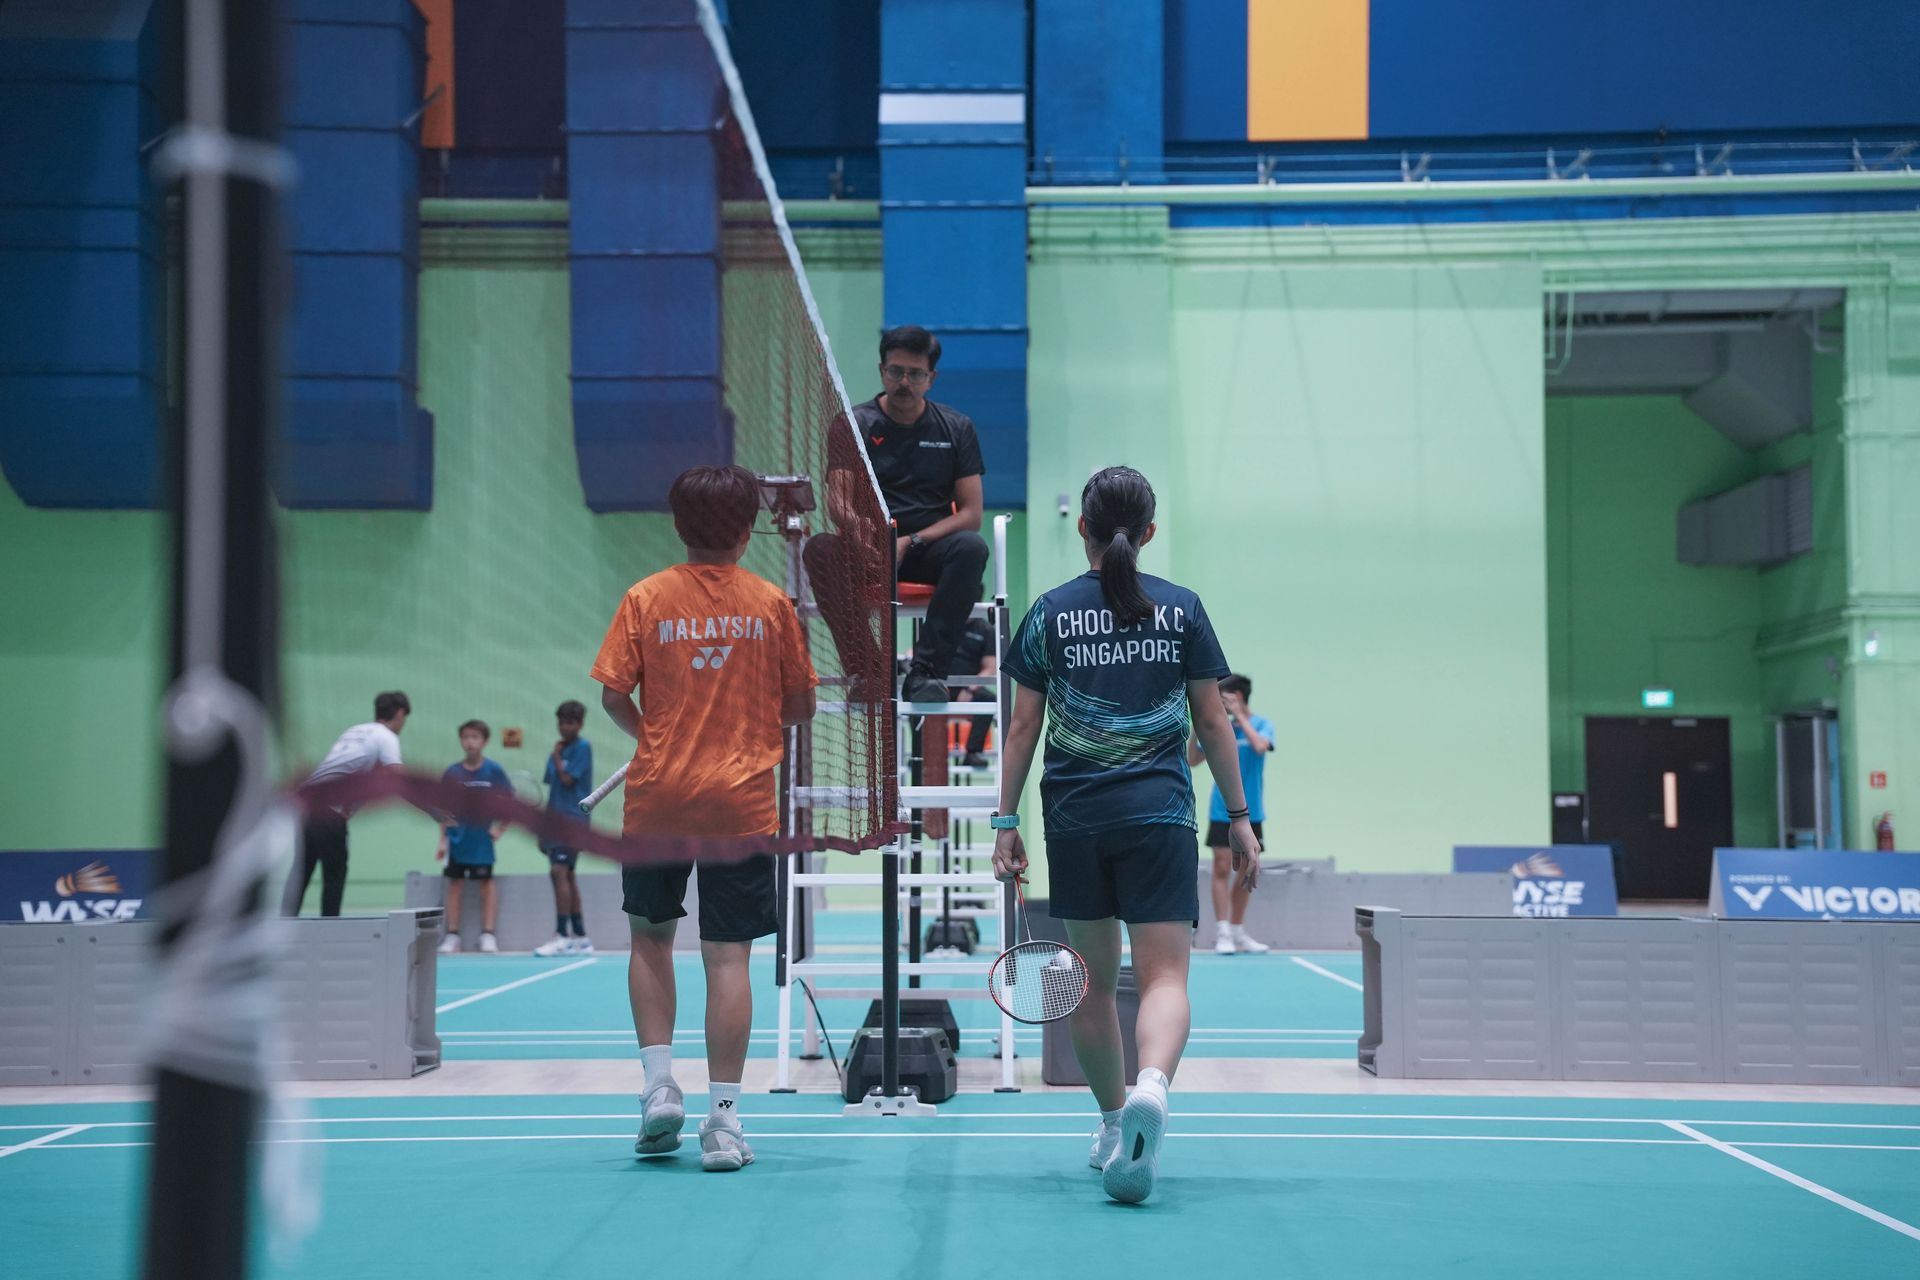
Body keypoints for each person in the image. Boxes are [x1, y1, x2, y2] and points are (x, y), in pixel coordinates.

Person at [992, 465, 1260, 1206]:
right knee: (1165, 979)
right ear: (1149, 533)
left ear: (1082, 527)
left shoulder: (1049, 612)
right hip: (1160, 817)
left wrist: (1006, 822)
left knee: (1092, 982)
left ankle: (1114, 1124)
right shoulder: (1182, 609)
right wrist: (1240, 819)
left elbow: (1022, 727)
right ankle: (1152, 1088)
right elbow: (1213, 723)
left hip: (1076, 820)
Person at [591, 464, 817, 1173]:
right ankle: (723, 1123)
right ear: (748, 530)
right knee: (727, 956)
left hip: (657, 799)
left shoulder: (646, 597)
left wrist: (655, 738)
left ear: (678, 525)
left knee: (650, 940)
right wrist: (746, 723)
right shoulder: (771, 603)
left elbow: (612, 696)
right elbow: (802, 706)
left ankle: (659, 1086)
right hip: (740, 804)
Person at [804, 325, 987, 706]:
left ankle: (926, 673)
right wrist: (856, 526)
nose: (904, 382)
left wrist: (912, 541)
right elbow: (837, 498)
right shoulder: (853, 425)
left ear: (931, 378)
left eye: (915, 374)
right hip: (869, 550)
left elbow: (971, 514)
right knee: (820, 549)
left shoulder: (957, 428)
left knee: (971, 547)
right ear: (881, 370)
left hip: (926, 550)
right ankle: (869, 672)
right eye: (896, 371)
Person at [285, 691, 410, 917]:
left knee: (302, 871)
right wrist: (435, 810)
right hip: (328, 813)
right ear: (400, 714)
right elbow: (400, 780)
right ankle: (330, 928)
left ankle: (283, 923)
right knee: (334, 873)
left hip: (306, 808)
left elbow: (346, 770)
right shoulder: (386, 737)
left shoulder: (354, 731)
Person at [1189, 673, 1274, 955]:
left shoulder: (1261, 725)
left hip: (1253, 812)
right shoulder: (1218, 727)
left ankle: (1238, 930)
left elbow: (1260, 747)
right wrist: (1196, 725)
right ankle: (1222, 931)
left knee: (1247, 869)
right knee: (1222, 867)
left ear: (1237, 696)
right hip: (1221, 809)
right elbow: (1193, 759)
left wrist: (1239, 717)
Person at [436, 720, 510, 954]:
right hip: (457, 841)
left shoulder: (494, 771)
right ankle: (452, 935)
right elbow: (443, 811)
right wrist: (442, 841)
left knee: (487, 885)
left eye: (475, 737)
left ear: (484, 741)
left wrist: (499, 830)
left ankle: (488, 935)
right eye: (466, 737)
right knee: (455, 885)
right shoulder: (452, 773)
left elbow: (511, 802)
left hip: (482, 843)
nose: (470, 741)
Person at [533, 700, 595, 957]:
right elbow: (553, 788)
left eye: (570, 722)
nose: (564, 727)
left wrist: (558, 756)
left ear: (580, 724)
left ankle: (562, 936)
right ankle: (581, 936)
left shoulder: (582, 748)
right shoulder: (557, 751)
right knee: (566, 875)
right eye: (561, 722)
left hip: (573, 821)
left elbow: (567, 780)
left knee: (558, 872)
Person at [949, 616, 997, 768]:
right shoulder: (941, 622)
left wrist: (969, 689)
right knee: (915, 697)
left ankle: (973, 752)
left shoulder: (984, 629)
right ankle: (922, 753)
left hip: (969, 689)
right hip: (940, 686)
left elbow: (990, 667)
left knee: (989, 700)